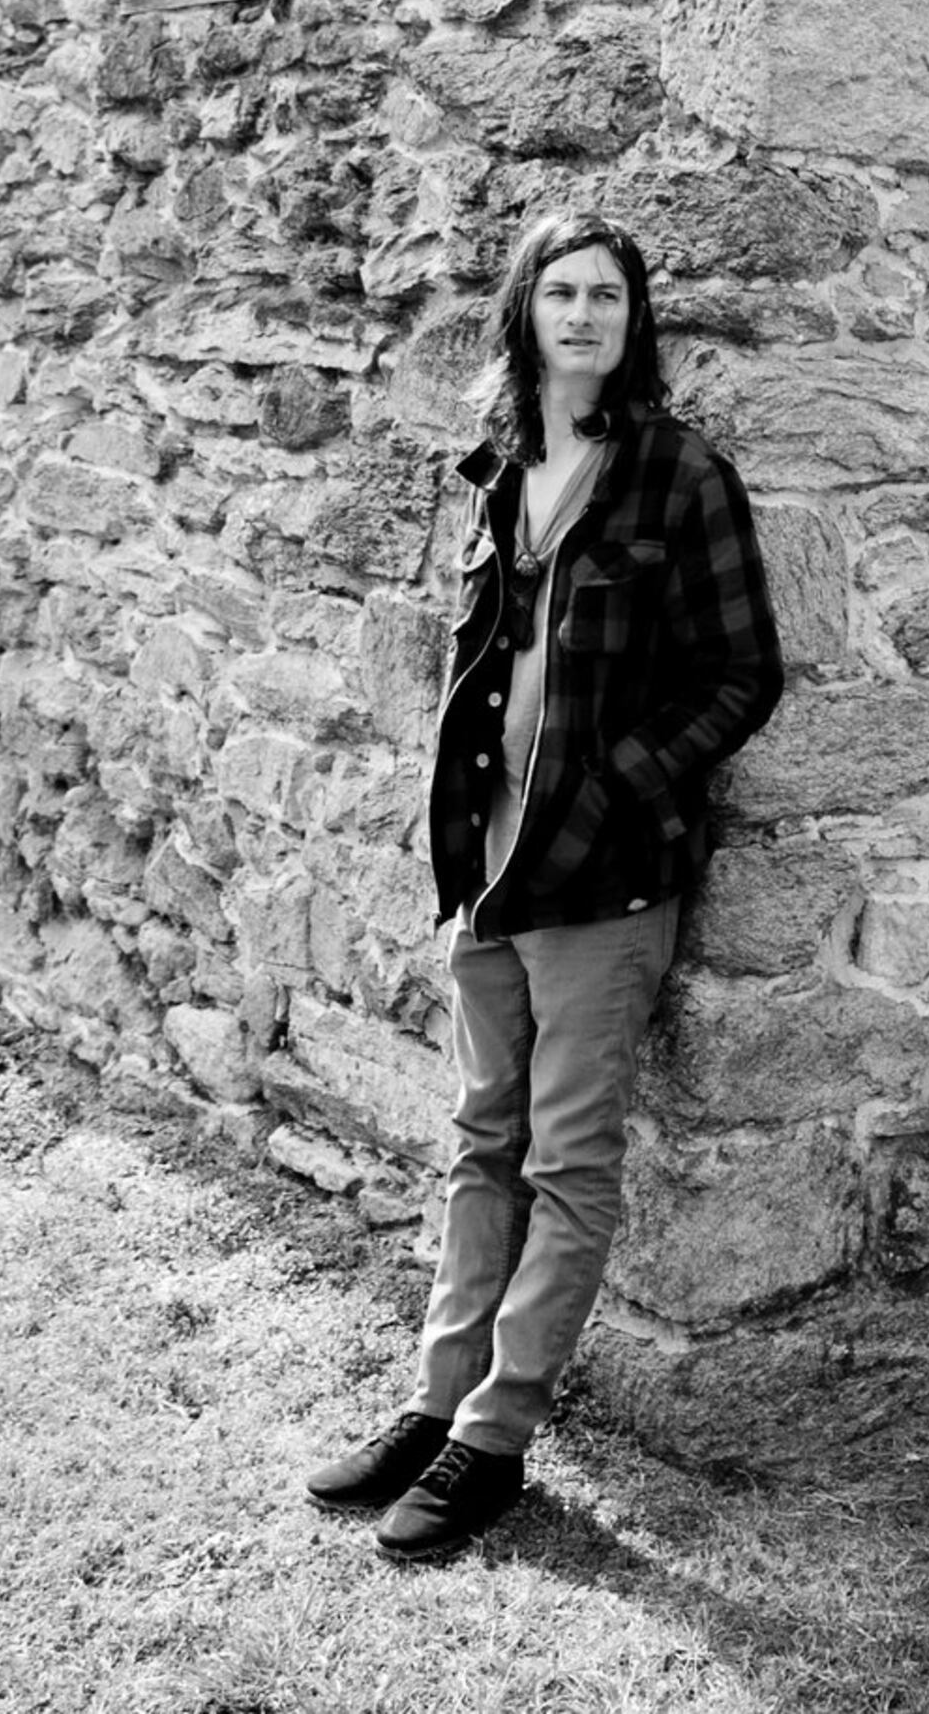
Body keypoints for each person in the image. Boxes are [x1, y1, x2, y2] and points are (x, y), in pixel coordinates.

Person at [300, 210, 783, 1565]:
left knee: (567, 1166)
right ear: (525, 316)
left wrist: (622, 780)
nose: (583, 317)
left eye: (607, 298)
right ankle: (435, 1400)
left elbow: (745, 678)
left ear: (635, 325)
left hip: (607, 883)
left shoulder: (683, 477)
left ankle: (496, 1441)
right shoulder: (501, 472)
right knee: (475, 1144)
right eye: (561, 294)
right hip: (487, 869)